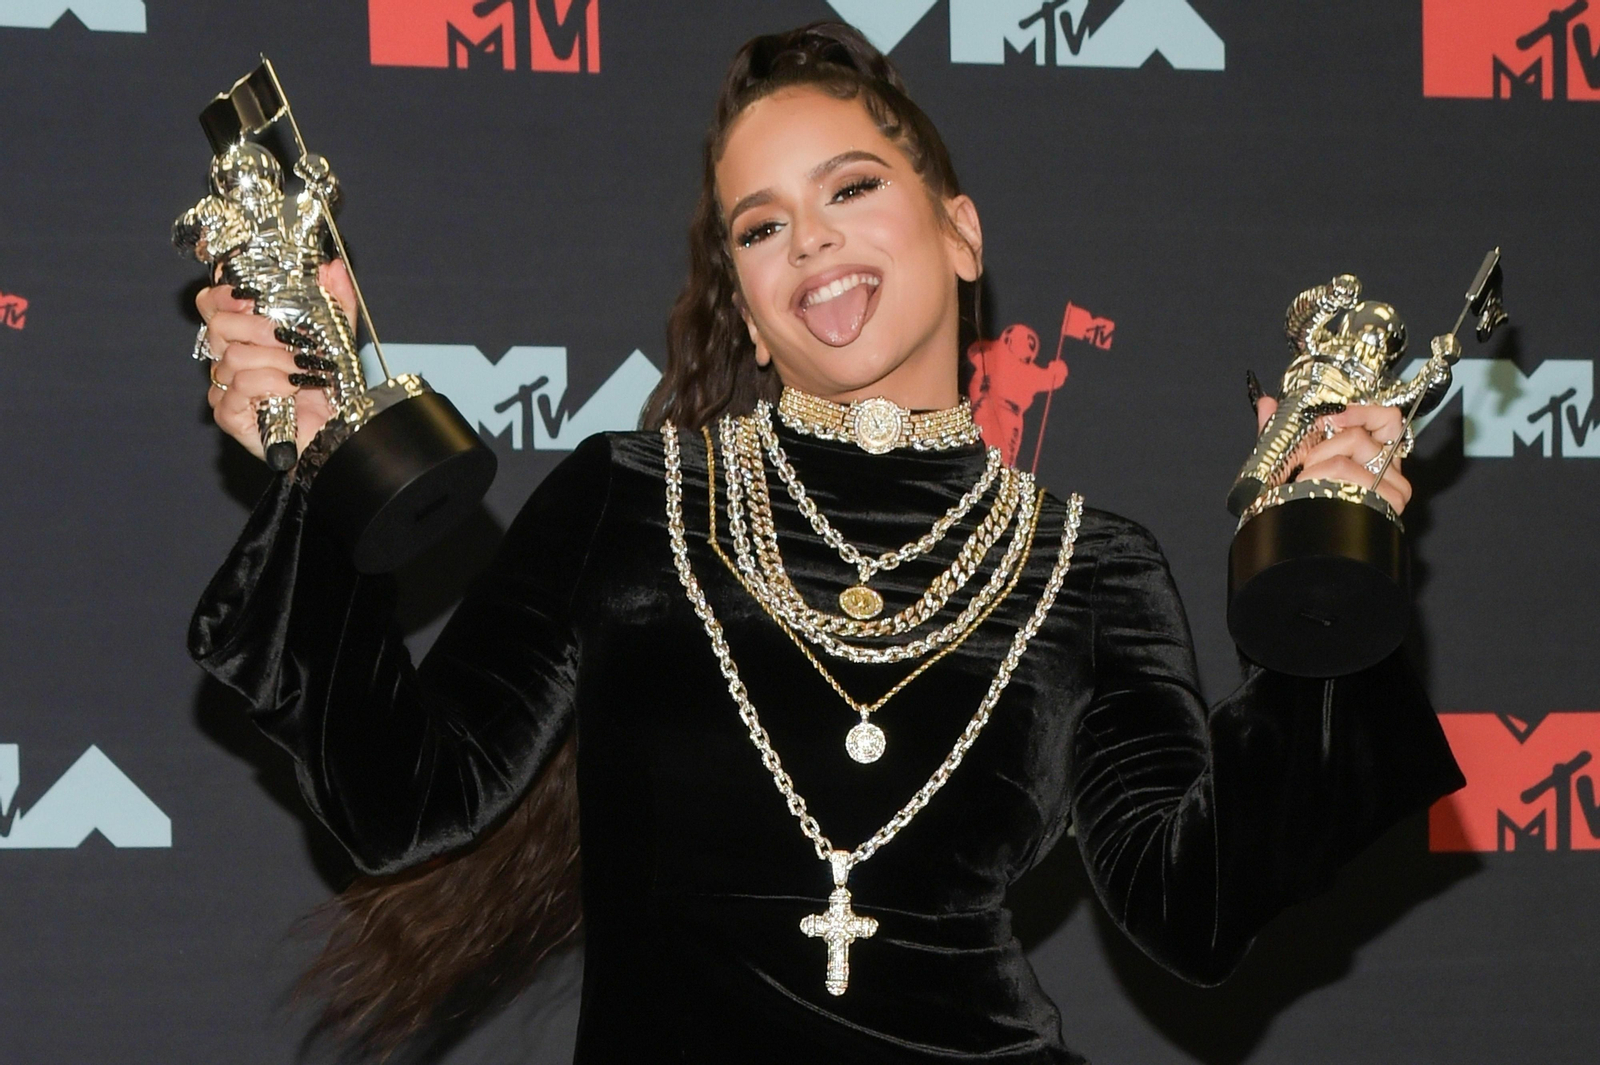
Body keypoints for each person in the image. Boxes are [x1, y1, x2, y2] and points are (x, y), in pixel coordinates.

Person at [188, 22, 1463, 1064]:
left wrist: (1324, 587)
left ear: (960, 233)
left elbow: (1194, 906)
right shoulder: (626, 503)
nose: (809, 238)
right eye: (759, 225)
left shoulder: (1089, 569)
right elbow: (402, 798)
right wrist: (322, 464)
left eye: (851, 188)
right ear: (747, 311)